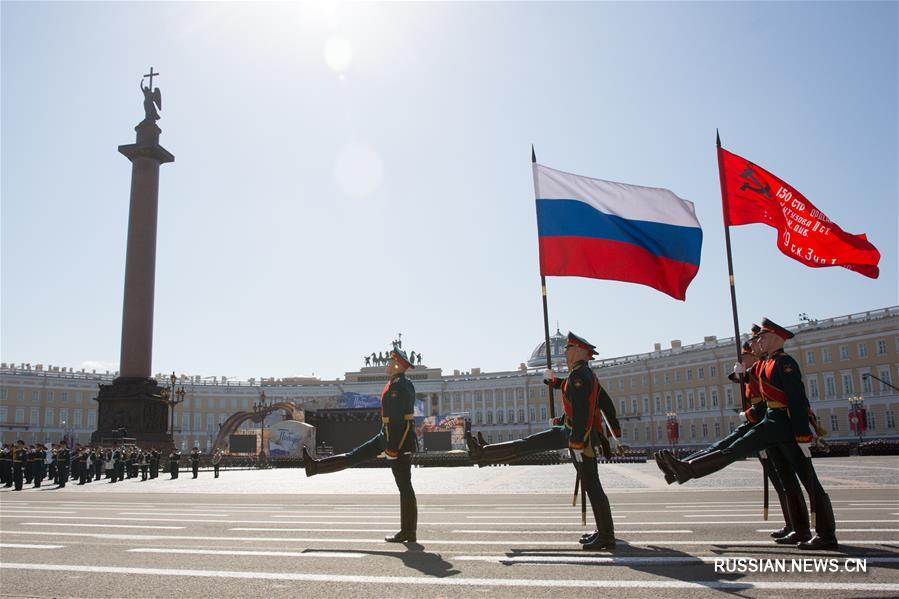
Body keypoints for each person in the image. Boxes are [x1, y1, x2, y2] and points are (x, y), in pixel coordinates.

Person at [658, 318, 837, 550]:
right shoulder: (767, 364)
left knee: (807, 481)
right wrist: (743, 384)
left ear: (776, 338)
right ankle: (800, 529)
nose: (758, 342)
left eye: (762, 338)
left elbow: (797, 400)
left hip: (784, 426)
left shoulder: (785, 363)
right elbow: (762, 395)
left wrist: (803, 435)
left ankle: (827, 534)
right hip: (772, 422)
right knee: (788, 482)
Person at [304, 347, 419, 543]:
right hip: (387, 438)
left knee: (405, 486)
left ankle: (409, 532)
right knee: (354, 456)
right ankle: (315, 466)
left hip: (396, 443)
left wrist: (392, 448)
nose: (387, 364)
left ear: (398, 365)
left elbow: (401, 421)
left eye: (390, 361)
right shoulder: (398, 384)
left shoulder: (399, 387)